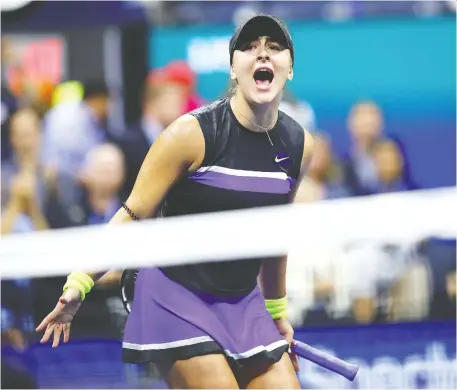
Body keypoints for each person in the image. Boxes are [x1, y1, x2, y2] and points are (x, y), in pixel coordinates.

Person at [36, 14, 314, 389]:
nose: (262, 55)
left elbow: (274, 235)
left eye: (275, 48)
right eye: (250, 48)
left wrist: (276, 310)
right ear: (233, 69)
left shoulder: (298, 145)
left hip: (241, 300)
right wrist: (80, 281)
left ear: (290, 68)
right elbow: (132, 214)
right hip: (173, 292)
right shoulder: (190, 134)